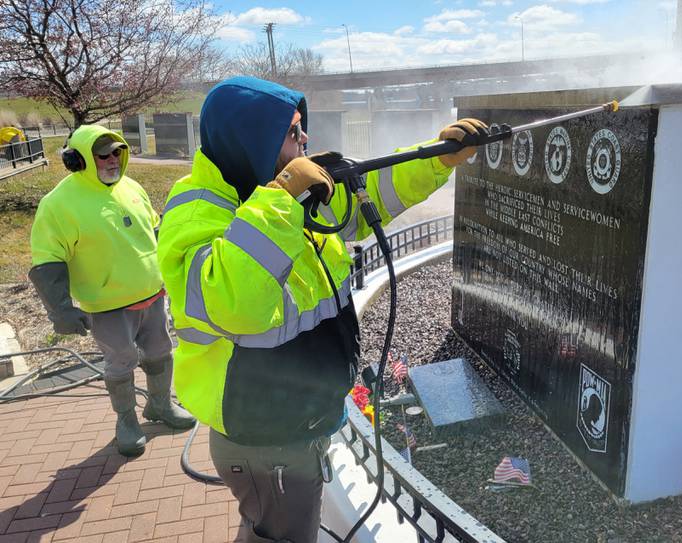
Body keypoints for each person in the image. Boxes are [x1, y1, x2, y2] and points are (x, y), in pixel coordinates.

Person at [156, 75, 486, 543]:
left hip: (293, 420)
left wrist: (435, 156)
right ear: (252, 139)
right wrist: (281, 199)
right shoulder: (200, 211)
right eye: (292, 133)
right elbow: (235, 304)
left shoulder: (273, 191)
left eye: (300, 127)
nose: (305, 139)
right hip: (264, 432)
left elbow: (364, 194)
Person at [28, 125, 195, 457]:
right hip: (107, 306)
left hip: (152, 295)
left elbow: (155, 231)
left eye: (117, 152)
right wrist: (60, 309)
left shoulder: (131, 187)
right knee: (121, 362)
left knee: (161, 351)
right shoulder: (59, 204)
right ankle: (127, 421)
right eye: (102, 154)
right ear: (78, 160)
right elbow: (47, 260)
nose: (111, 160)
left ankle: (160, 406)